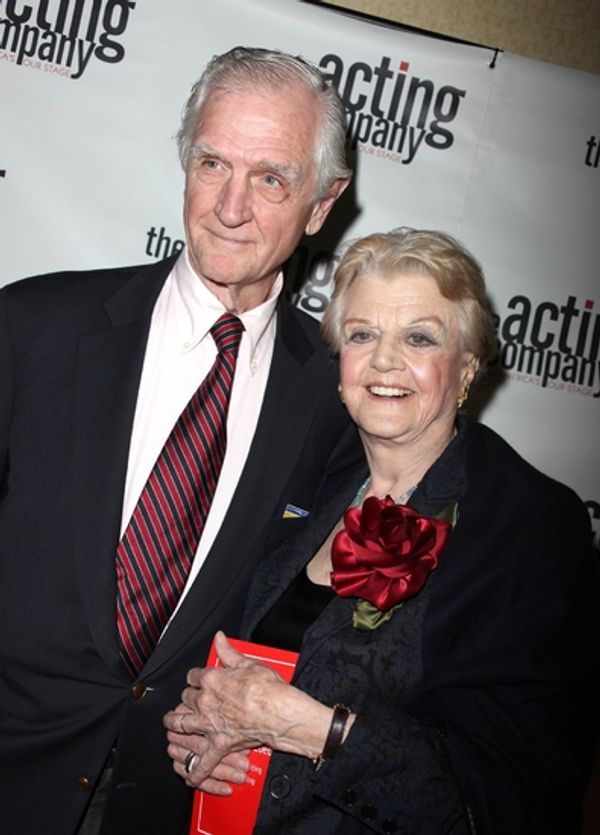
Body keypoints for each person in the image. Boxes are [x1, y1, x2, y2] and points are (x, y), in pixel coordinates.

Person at [0, 47, 365, 835]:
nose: (230, 206)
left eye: (271, 178)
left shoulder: (340, 403)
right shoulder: (31, 328)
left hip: (161, 802)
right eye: (212, 163)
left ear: (320, 204)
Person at [164, 228, 600, 834]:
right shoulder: (316, 480)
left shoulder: (529, 525)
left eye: (419, 337)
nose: (385, 360)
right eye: (363, 334)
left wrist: (314, 729)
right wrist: (202, 724)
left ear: (469, 365)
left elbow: (514, 797)